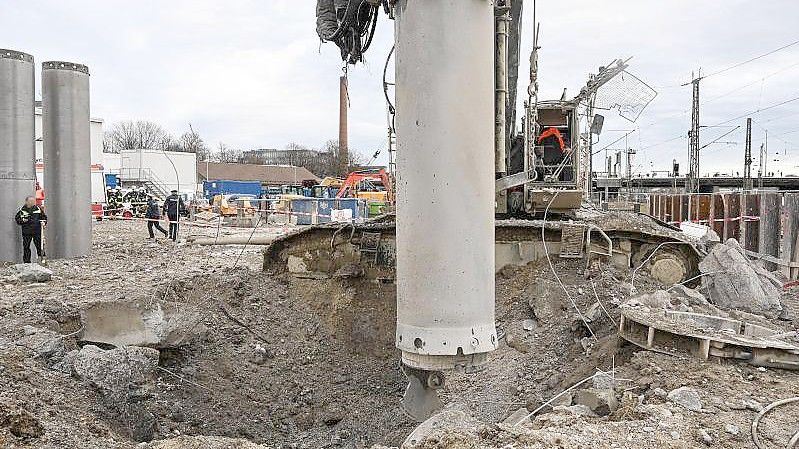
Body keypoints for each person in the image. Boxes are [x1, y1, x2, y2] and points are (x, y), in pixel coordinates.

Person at [14, 196, 47, 263]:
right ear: (26, 202)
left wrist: (44, 222)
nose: (32, 203)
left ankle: (42, 261)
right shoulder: (22, 210)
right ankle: (27, 262)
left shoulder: (38, 209)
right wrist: (23, 220)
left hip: (37, 231)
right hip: (27, 232)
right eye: (30, 201)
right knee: (26, 247)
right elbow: (17, 220)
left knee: (40, 246)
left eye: (33, 201)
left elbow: (44, 217)